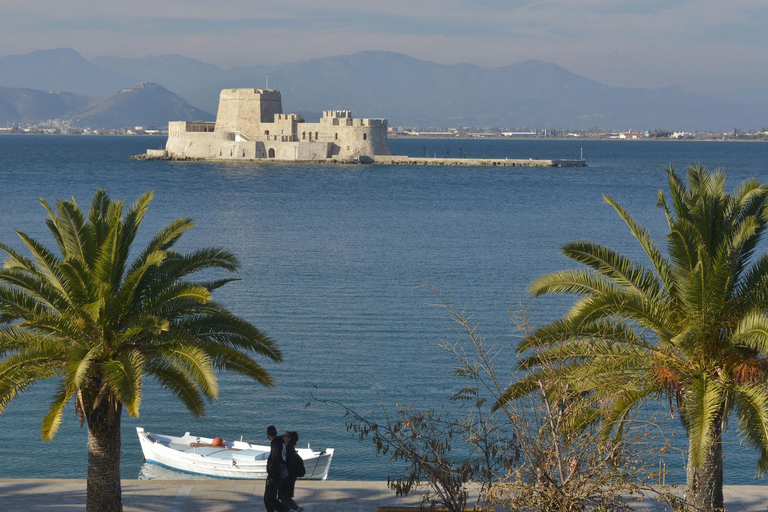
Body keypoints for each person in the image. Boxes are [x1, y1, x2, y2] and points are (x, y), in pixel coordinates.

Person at [264, 426, 288, 512]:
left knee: (269, 498)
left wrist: (271, 475)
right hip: (280, 473)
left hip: (274, 475)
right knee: (270, 497)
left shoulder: (275, 444)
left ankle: (285, 509)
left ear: (268, 434)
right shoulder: (280, 442)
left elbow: (275, 461)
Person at [278, 431, 303, 512]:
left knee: (283, 495)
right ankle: (292, 509)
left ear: (289, 439)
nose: (283, 436)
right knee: (284, 495)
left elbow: (289, 464)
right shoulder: (289, 447)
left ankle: (294, 509)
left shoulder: (289, 448)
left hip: (288, 476)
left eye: (285, 436)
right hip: (289, 475)